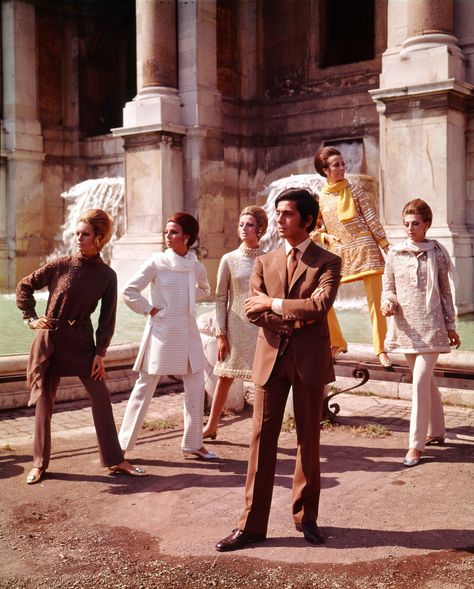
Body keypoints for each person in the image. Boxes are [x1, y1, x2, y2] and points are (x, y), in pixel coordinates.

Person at [216, 188, 341, 551]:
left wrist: (274, 304)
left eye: (287, 214)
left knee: (308, 441)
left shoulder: (329, 261)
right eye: (278, 213)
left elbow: (319, 306)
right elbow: (251, 311)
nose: (280, 220)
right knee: (260, 443)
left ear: (308, 219)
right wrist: (291, 318)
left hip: (309, 362)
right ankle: (251, 526)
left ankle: (307, 520)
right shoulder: (264, 261)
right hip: (270, 359)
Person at [16, 208, 145, 485]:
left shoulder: (107, 276)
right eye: (77, 233)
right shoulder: (59, 265)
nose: (79, 238)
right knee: (43, 402)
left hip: (83, 342)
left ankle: (115, 459)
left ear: (99, 238)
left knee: (100, 396)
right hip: (51, 340)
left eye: (85, 234)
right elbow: (25, 286)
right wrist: (30, 318)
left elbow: (106, 319)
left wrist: (100, 353)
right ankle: (39, 464)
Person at [118, 212, 216, 460]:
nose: (168, 236)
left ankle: (193, 443)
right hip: (162, 333)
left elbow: (205, 290)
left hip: (189, 333)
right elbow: (129, 291)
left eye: (173, 232)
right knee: (144, 388)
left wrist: (189, 300)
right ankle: (120, 446)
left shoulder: (195, 265)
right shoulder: (156, 262)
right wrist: (152, 310)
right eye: (166, 232)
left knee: (195, 388)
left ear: (187, 237)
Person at [381, 198, 460, 467]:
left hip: (432, 326)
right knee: (427, 382)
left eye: (415, 223)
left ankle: (416, 445)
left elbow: (446, 293)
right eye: (406, 224)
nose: (410, 228)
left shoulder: (437, 253)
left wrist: (451, 326)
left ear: (426, 224)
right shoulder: (394, 253)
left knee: (419, 382)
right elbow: (387, 287)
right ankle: (437, 431)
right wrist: (387, 303)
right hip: (405, 327)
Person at [313, 146, 391, 367]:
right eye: (336, 165)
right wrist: (325, 237)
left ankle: (381, 349)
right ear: (325, 169)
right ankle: (337, 342)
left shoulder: (355, 190)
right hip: (340, 254)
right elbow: (314, 229)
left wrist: (384, 244)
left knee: (376, 304)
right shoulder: (320, 198)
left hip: (366, 249)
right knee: (321, 297)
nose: (342, 168)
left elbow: (370, 217)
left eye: (343, 164)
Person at [203, 206, 268, 441]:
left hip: (261, 326)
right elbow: (220, 297)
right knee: (225, 377)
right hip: (235, 326)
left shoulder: (268, 259)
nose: (244, 229)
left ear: (260, 229)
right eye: (241, 225)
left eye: (249, 225)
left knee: (264, 381)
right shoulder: (229, 259)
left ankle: (261, 433)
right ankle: (211, 426)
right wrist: (221, 333)